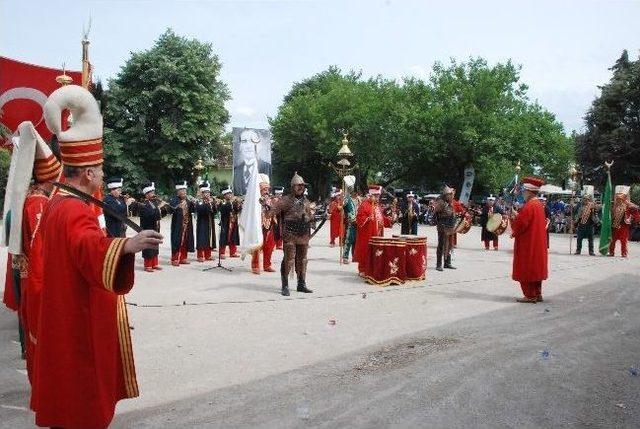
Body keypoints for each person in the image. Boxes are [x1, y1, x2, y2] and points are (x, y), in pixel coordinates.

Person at [32, 84, 163, 428]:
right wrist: (125, 246)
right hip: (79, 319)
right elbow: (88, 248)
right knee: (82, 402)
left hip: (66, 311)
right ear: (88, 173)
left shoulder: (58, 204)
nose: (104, 176)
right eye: (101, 170)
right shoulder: (74, 210)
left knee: (68, 399)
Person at [267, 172, 315, 296]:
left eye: (303, 186)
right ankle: (285, 285)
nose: (301, 187)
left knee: (303, 260)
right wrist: (267, 207)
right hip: (290, 234)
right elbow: (271, 213)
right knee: (289, 260)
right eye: (298, 185)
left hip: (303, 234)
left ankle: (301, 284)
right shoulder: (285, 200)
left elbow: (310, 217)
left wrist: (316, 217)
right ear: (292, 186)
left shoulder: (306, 201)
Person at [509, 176, 548, 303]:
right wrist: (518, 216)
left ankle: (530, 295)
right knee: (535, 269)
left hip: (528, 244)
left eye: (524, 191)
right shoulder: (538, 205)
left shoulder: (529, 206)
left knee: (526, 268)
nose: (523, 193)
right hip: (536, 243)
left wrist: (514, 218)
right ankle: (537, 293)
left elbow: (520, 225)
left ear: (530, 191)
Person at [354, 185, 391, 276]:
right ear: (371, 195)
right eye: (376, 196)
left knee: (376, 251)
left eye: (378, 196)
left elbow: (381, 218)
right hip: (367, 233)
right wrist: (367, 218)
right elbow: (359, 218)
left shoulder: (377, 206)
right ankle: (362, 269)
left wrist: (390, 220)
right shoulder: (364, 205)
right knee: (365, 250)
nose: (378, 198)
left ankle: (372, 268)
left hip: (378, 232)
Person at [136, 182, 169, 272]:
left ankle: (155, 263)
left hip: (155, 227)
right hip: (147, 227)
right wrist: (159, 207)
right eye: (151, 193)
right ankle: (148, 265)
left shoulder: (154, 202)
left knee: (155, 245)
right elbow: (150, 215)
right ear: (146, 194)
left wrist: (164, 208)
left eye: (153, 192)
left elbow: (159, 215)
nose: (153, 194)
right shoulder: (143, 204)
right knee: (148, 246)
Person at [232, 129, 271, 196]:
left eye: (253, 141)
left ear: (259, 145)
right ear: (240, 146)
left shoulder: (267, 167)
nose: (248, 146)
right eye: (244, 141)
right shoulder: (236, 171)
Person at [251, 174, 277, 274]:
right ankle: (255, 265)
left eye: (267, 189)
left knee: (269, 246)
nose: (266, 191)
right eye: (264, 189)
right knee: (257, 246)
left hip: (270, 225)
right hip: (258, 225)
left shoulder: (271, 199)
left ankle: (267, 265)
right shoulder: (255, 200)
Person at [168, 181, 196, 266]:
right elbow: (170, 210)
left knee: (185, 241)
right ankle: (175, 259)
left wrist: (194, 203)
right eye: (182, 190)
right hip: (178, 225)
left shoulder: (188, 200)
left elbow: (192, 210)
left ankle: (183, 258)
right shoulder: (174, 199)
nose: (184, 192)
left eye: (185, 190)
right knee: (177, 241)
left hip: (187, 224)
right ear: (178, 191)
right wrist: (178, 206)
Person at [609, 185, 639, 257]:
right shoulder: (614, 206)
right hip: (614, 226)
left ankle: (624, 253)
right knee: (612, 240)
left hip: (624, 226)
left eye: (621, 198)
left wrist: (637, 220)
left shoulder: (629, 206)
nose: (619, 199)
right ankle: (611, 252)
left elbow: (635, 213)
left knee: (623, 241)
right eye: (618, 198)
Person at [433, 186, 457, 271]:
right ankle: (439, 264)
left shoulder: (450, 202)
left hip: (450, 226)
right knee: (441, 245)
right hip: (442, 226)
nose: (452, 196)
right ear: (446, 195)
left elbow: (452, 212)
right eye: (450, 194)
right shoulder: (441, 202)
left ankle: (447, 263)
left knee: (449, 244)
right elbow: (435, 213)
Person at [195, 181, 218, 262]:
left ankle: (208, 255)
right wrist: (208, 204)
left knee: (209, 238)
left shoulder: (211, 201)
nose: (207, 194)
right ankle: (200, 255)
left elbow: (215, 212)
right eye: (205, 192)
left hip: (210, 222)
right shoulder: (199, 201)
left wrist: (214, 204)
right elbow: (201, 210)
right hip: (202, 222)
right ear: (202, 193)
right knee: (201, 238)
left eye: (208, 192)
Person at [574, 186, 598, 255]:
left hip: (590, 224)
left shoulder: (592, 205)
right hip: (581, 224)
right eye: (584, 199)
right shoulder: (579, 205)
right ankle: (578, 250)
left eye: (587, 199)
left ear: (589, 199)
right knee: (579, 239)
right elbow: (574, 211)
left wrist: (594, 209)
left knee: (591, 239)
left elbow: (597, 211)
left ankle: (591, 251)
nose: (585, 200)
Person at [218, 187, 241, 258]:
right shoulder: (222, 202)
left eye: (230, 193)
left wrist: (239, 204)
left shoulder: (233, 202)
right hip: (225, 222)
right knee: (223, 237)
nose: (229, 195)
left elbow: (238, 210)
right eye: (227, 194)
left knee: (233, 237)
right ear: (224, 195)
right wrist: (231, 203)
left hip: (233, 222)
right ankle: (222, 252)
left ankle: (233, 252)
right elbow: (224, 209)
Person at [341, 176, 358, 264]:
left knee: (355, 240)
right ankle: (345, 257)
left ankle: (354, 256)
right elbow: (341, 207)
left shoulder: (357, 200)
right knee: (348, 240)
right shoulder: (347, 199)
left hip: (357, 223)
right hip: (350, 223)